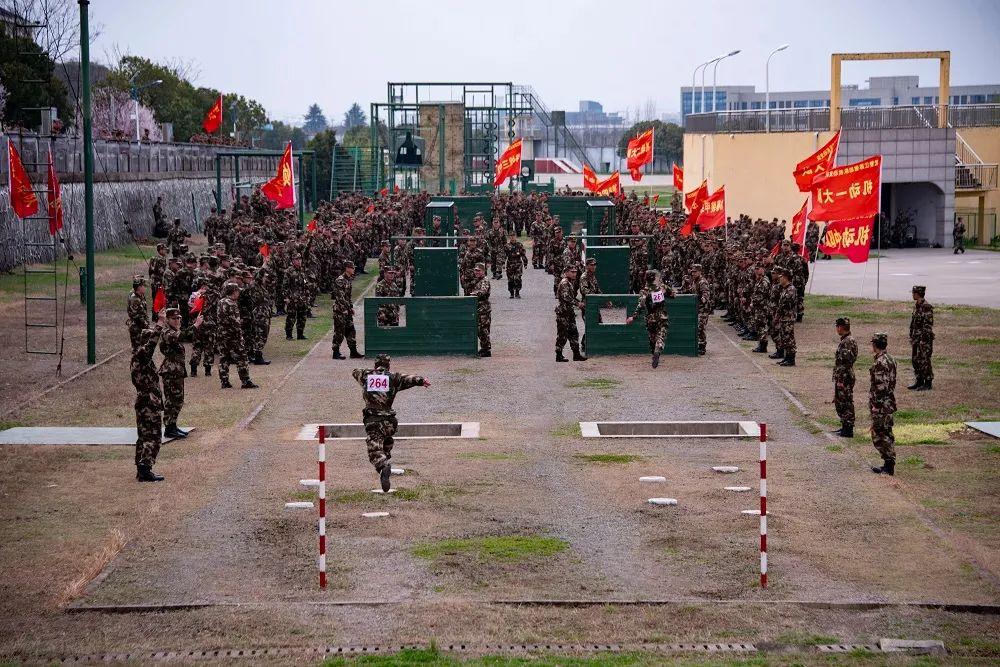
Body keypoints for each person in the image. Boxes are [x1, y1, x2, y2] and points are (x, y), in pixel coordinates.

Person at [352, 354, 430, 492]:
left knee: (374, 449)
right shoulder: (394, 378)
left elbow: (355, 371)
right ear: (388, 365)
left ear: (375, 365)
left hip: (373, 420)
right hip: (390, 421)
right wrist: (421, 380)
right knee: (386, 442)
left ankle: (383, 467)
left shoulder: (365, 375)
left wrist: (372, 373)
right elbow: (410, 378)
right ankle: (385, 463)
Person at [159, 307, 202, 439]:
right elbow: (183, 336)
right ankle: (169, 428)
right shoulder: (167, 332)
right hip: (171, 371)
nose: (177, 321)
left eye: (179, 318)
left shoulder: (174, 331)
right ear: (167, 319)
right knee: (172, 400)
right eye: (174, 318)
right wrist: (195, 325)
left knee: (178, 400)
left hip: (176, 370)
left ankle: (173, 426)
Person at [132, 310, 165, 482]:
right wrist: (159, 324)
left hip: (145, 400)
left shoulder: (139, 358)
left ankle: (141, 468)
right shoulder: (142, 356)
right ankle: (145, 469)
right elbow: (151, 346)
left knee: (144, 436)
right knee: (152, 436)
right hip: (148, 402)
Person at [627, 269, 675, 369]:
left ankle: (654, 353)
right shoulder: (662, 287)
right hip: (662, 316)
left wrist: (633, 317)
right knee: (661, 335)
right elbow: (673, 294)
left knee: (652, 338)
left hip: (650, 318)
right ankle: (658, 349)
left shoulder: (645, 291)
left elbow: (641, 305)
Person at [217, 281, 259, 389]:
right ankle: (245, 380)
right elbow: (235, 322)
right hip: (233, 335)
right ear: (234, 291)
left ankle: (224, 381)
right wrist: (240, 335)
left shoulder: (221, 301)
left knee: (224, 358)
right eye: (237, 291)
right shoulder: (232, 303)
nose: (238, 294)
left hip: (222, 334)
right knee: (242, 358)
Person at [869, 332, 898, 476]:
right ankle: (888, 464)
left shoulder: (880, 362)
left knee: (880, 434)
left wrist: (876, 405)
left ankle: (888, 464)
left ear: (875, 344)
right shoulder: (891, 359)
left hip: (882, 405)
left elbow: (881, 387)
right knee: (886, 432)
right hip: (888, 403)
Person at [332, 261, 364, 360]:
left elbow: (348, 296)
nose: (353, 269)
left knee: (351, 330)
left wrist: (350, 307)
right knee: (339, 331)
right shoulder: (340, 280)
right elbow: (340, 297)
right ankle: (336, 352)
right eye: (352, 268)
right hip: (340, 311)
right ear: (346, 268)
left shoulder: (348, 280)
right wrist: (347, 308)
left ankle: (353, 352)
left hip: (347, 310)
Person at [832, 317, 858, 438]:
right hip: (844, 376)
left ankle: (848, 428)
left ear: (841, 327)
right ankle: (844, 426)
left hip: (845, 377)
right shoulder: (847, 340)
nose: (837, 329)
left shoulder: (847, 342)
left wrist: (841, 380)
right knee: (841, 401)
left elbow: (846, 362)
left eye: (837, 326)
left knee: (845, 401)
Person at [555, 265, 586, 362]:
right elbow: (566, 297)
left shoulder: (570, 283)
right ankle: (558, 355)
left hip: (569, 313)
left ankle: (576, 355)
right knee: (562, 335)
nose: (574, 274)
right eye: (572, 272)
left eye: (575, 272)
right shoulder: (564, 283)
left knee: (574, 333)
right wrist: (578, 303)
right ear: (566, 272)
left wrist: (578, 303)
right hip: (563, 313)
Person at [908, 285, 935, 390]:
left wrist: (923, 340)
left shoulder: (926, 306)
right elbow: (913, 323)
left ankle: (927, 382)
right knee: (915, 360)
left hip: (924, 339)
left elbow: (928, 325)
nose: (912, 294)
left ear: (917, 293)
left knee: (924, 360)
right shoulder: (917, 305)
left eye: (913, 293)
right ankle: (919, 380)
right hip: (916, 338)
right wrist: (912, 335)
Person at [772, 267, 798, 366]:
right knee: (784, 337)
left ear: (786, 277)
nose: (780, 279)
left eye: (781, 277)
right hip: (783, 318)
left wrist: (778, 314)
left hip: (788, 318)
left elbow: (785, 304)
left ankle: (791, 358)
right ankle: (787, 357)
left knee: (789, 338)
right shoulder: (785, 289)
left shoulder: (791, 289)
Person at [283, 254, 313, 340]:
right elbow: (285, 286)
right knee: (291, 317)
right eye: (297, 259)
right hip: (292, 299)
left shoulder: (302, 270)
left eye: (300, 259)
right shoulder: (289, 271)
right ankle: (289, 335)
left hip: (302, 299)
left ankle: (300, 334)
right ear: (293, 261)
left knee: (302, 317)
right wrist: (286, 297)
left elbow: (305, 284)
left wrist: (307, 296)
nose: (299, 261)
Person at [466, 263, 492, 357]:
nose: (476, 272)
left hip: (484, 309)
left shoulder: (485, 281)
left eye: (478, 271)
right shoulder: (477, 280)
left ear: (483, 271)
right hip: (478, 308)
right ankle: (484, 348)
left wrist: (474, 293)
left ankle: (486, 349)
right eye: (475, 270)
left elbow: (483, 291)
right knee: (479, 329)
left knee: (483, 329)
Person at [690, 264, 711, 356]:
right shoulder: (694, 281)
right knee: (697, 326)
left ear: (699, 272)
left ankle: (702, 346)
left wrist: (703, 299)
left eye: (695, 272)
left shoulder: (702, 282)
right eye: (692, 272)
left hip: (703, 308)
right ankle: (698, 344)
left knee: (700, 326)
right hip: (696, 308)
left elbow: (706, 293)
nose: (693, 273)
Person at [127, 276, 149, 351]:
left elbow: (144, 312)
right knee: (138, 350)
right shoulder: (135, 299)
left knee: (144, 349)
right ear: (139, 287)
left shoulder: (140, 296)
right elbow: (138, 317)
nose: (145, 287)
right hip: (137, 328)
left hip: (141, 327)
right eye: (144, 286)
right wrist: (147, 326)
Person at [505, 231, 527, 298]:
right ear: (509, 237)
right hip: (510, 264)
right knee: (510, 279)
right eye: (511, 236)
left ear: (516, 237)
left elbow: (523, 254)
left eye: (513, 236)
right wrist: (502, 263)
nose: (512, 237)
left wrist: (525, 263)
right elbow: (503, 255)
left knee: (518, 278)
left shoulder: (519, 245)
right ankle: (511, 293)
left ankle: (517, 292)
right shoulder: (507, 246)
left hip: (518, 264)